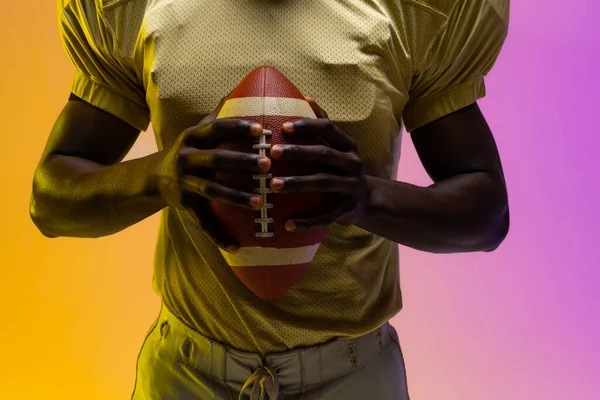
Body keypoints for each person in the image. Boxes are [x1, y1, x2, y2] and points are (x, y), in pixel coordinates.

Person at [31, 0, 510, 398]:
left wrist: (363, 197)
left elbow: (487, 213)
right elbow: (51, 198)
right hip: (186, 375)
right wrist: (158, 177)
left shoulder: (411, 11)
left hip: (352, 376)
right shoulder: (137, 9)